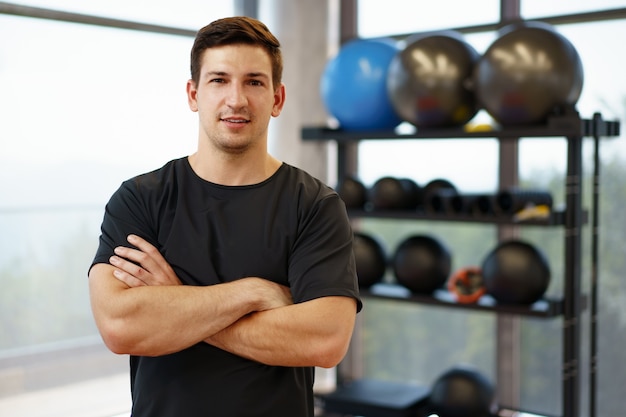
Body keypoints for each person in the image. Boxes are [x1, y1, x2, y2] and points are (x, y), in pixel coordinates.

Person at [88, 16, 362, 417]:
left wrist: (174, 299)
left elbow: (325, 341)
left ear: (278, 98)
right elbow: (119, 325)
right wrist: (252, 292)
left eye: (254, 81)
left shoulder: (315, 206)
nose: (236, 99)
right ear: (193, 94)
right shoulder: (141, 199)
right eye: (219, 80)